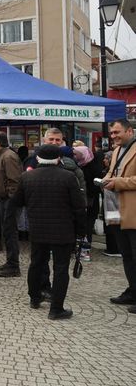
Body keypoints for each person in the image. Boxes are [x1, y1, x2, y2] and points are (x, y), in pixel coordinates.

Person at [10, 144, 85, 320]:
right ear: (59, 159)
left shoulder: (27, 177)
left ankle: (34, 298)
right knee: (60, 268)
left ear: (37, 159)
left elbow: (17, 201)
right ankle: (56, 308)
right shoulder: (68, 177)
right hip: (63, 231)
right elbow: (79, 208)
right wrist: (81, 232)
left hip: (38, 230)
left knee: (36, 263)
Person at [104, 119, 136, 313]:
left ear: (130, 131)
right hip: (117, 210)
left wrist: (117, 182)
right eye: (112, 133)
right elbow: (112, 172)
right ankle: (133, 290)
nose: (113, 136)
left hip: (133, 211)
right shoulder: (116, 150)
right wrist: (106, 179)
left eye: (117, 132)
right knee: (127, 255)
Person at [0, 131, 23, 278]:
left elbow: (14, 180)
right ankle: (10, 262)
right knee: (7, 232)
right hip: (4, 199)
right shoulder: (3, 156)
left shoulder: (8, 156)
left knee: (10, 232)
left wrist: (11, 200)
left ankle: (13, 265)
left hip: (10, 200)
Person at [74, 145, 104, 261]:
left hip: (90, 202)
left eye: (77, 154)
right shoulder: (82, 166)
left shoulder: (90, 168)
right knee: (85, 226)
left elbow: (96, 186)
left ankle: (85, 251)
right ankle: (83, 249)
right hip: (88, 201)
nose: (75, 156)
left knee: (86, 226)